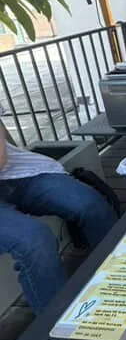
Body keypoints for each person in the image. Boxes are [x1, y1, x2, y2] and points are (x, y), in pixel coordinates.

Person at [0, 124, 118, 314]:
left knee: (90, 204)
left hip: (16, 172)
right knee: (34, 240)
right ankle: (57, 324)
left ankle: (121, 279)